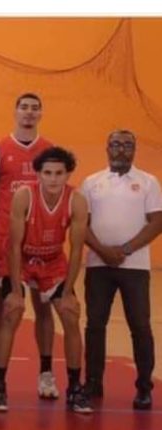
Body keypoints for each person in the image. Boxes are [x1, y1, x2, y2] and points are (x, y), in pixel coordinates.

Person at [0, 146, 92, 414]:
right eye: (48, 173)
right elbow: (13, 246)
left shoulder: (77, 200)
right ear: (38, 174)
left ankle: (75, 388)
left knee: (70, 315)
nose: (53, 178)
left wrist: (68, 293)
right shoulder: (24, 196)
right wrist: (15, 292)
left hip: (53, 261)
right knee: (12, 312)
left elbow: (76, 250)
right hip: (21, 260)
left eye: (59, 173)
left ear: (68, 174)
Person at [0, 93, 58, 398]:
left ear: (41, 114)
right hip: (6, 241)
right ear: (15, 112)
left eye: (34, 108)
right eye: (24, 107)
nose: (29, 112)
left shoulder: (50, 151)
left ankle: (46, 373)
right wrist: (6, 228)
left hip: (40, 244)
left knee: (43, 305)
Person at [82, 129, 162, 410]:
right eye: (115, 144)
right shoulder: (91, 182)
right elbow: (81, 224)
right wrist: (104, 251)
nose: (121, 149)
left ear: (134, 150)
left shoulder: (149, 182)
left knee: (140, 326)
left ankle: (144, 387)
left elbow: (157, 222)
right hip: (97, 265)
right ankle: (93, 383)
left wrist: (125, 249)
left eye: (127, 145)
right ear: (107, 148)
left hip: (135, 267)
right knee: (95, 325)